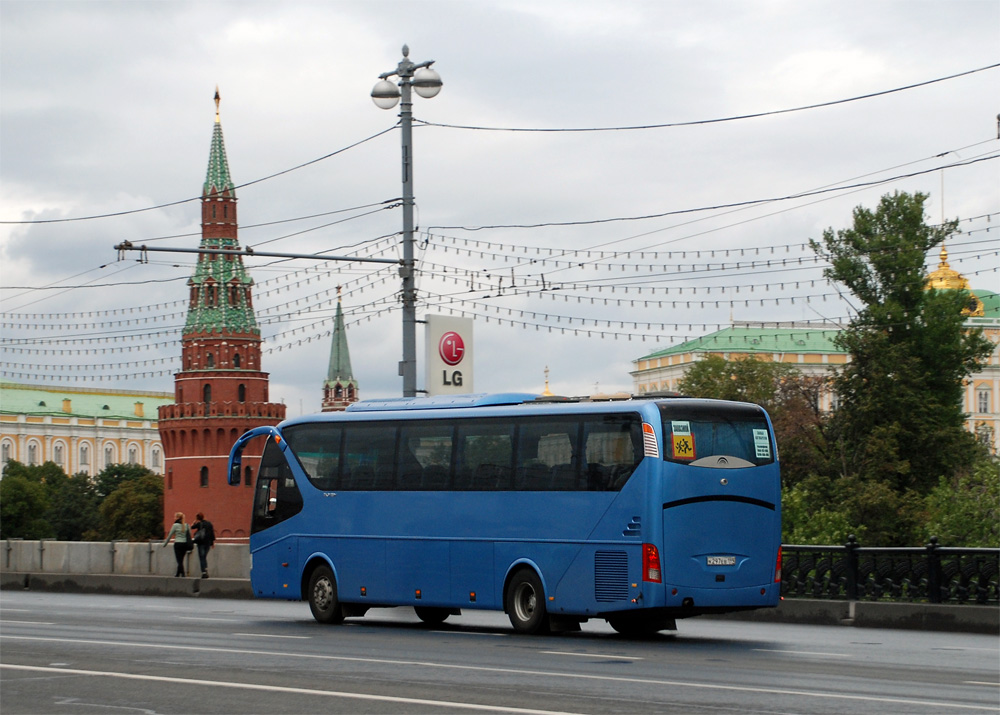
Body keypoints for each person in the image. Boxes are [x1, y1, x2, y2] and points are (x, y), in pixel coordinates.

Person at [162, 511, 191, 577]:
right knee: (181, 559)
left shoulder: (175, 525)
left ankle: (183, 573)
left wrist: (165, 544)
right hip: (184, 544)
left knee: (179, 560)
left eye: (175, 517)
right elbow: (189, 535)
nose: (174, 518)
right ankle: (178, 573)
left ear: (177, 517)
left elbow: (170, 535)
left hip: (178, 543)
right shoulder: (186, 525)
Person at [191, 511, 216, 579]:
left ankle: (204, 572)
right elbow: (212, 533)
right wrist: (212, 542)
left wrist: (195, 521)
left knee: (202, 557)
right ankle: (206, 570)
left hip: (201, 543)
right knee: (204, 557)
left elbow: (192, 527)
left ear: (198, 518)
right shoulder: (209, 524)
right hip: (207, 543)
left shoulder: (199, 524)